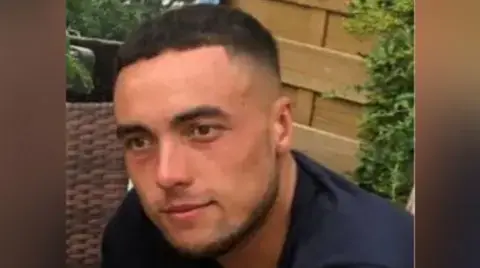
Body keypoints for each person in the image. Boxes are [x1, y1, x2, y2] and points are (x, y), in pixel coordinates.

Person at [102, 4, 413, 268]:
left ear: (281, 126)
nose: (166, 175)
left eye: (202, 130)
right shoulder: (141, 230)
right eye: (140, 141)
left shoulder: (366, 258)